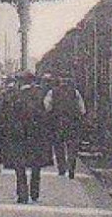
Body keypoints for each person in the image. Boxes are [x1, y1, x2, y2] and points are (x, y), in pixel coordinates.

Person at [5, 70, 52, 204]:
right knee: (36, 166)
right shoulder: (41, 94)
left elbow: (8, 115)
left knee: (20, 166)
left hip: (19, 135)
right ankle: (35, 193)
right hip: (36, 134)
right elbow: (46, 113)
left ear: (21, 82)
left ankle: (22, 194)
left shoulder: (15, 96)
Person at [45, 75, 87, 179]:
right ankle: (71, 169)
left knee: (59, 147)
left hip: (57, 123)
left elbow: (47, 107)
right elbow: (82, 110)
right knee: (72, 148)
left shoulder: (52, 92)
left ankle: (62, 169)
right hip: (72, 124)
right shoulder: (75, 92)